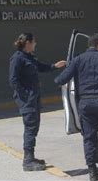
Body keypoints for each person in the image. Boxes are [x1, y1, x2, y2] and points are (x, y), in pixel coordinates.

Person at [54, 33, 98, 181]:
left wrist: (60, 73)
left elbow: (61, 79)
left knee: (89, 138)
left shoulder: (78, 59)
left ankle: (93, 172)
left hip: (85, 104)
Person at [9, 33, 66, 171]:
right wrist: (26, 96)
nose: (36, 44)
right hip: (27, 101)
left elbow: (40, 66)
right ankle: (28, 161)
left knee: (34, 127)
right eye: (34, 42)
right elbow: (13, 80)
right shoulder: (17, 59)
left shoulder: (29, 57)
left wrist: (55, 66)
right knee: (30, 128)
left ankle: (31, 156)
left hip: (33, 99)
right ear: (27, 43)